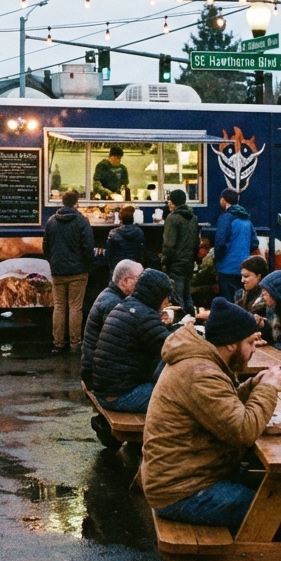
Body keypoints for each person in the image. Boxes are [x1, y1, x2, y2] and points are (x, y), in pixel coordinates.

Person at [141, 299, 281, 531]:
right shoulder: (200, 373)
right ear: (231, 344)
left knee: (279, 491)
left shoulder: (201, 363)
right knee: (280, 514)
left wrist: (252, 386)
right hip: (181, 491)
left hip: (184, 476)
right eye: (250, 342)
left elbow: (220, 408)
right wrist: (267, 387)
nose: (254, 349)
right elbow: (243, 430)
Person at [90, 269, 176, 413]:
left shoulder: (127, 305)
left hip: (108, 390)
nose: (167, 301)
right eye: (166, 296)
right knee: (183, 396)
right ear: (157, 294)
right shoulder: (144, 315)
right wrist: (187, 331)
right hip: (121, 396)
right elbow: (172, 347)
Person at [83, 259, 142, 446]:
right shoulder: (113, 304)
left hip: (94, 371)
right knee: (162, 392)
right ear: (125, 281)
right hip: (99, 377)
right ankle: (136, 446)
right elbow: (128, 344)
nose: (141, 285)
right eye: (138, 280)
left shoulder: (110, 296)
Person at [43, 190, 94, 353]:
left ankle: (58, 343)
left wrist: (53, 261)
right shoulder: (82, 221)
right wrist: (87, 264)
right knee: (75, 307)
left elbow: (45, 246)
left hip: (58, 270)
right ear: (76, 202)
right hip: (78, 271)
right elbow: (88, 247)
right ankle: (74, 344)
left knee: (58, 306)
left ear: (62, 202)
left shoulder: (52, 221)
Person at [213, 189, 258, 303]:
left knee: (228, 302)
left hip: (226, 268)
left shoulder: (225, 218)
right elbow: (254, 243)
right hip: (243, 268)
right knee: (241, 302)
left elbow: (220, 243)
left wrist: (217, 260)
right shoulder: (246, 218)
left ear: (223, 200)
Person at [162, 189, 200, 315]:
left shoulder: (172, 218)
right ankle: (193, 322)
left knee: (178, 300)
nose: (168, 203)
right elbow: (196, 242)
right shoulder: (193, 217)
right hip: (188, 263)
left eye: (169, 200)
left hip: (176, 264)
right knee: (187, 297)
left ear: (173, 203)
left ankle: (182, 326)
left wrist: (165, 262)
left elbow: (168, 244)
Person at [234, 255, 274, 343]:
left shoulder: (269, 299)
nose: (242, 280)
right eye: (242, 276)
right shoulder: (240, 295)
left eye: (246, 276)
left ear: (259, 276)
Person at [105, 205, 145, 270]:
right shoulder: (139, 232)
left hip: (117, 267)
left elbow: (109, 254)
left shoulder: (113, 233)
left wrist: (112, 268)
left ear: (121, 219)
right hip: (133, 267)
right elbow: (141, 252)